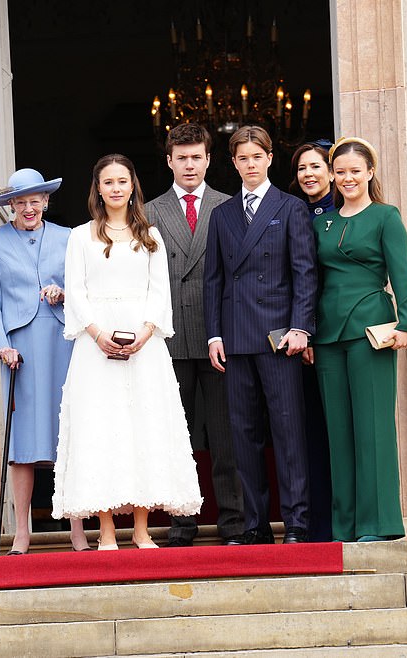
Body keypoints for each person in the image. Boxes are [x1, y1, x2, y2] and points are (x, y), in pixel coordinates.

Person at [52, 153, 202, 550]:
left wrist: (147, 331)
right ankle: (105, 531)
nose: (116, 188)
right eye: (108, 182)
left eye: (123, 181)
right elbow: (77, 291)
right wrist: (98, 334)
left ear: (132, 185)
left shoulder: (150, 234)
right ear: (98, 189)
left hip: (144, 346)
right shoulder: (80, 236)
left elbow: (160, 291)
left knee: (143, 429)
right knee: (101, 430)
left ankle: (140, 528)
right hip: (94, 346)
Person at [203, 126, 318, 545]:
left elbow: (304, 273)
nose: (250, 164)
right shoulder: (223, 214)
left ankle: (297, 522)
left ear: (270, 158)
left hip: (279, 338)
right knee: (243, 435)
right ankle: (255, 524)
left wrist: (301, 328)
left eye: (257, 156)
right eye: (242, 158)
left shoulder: (290, 208)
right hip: (234, 340)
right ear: (232, 163)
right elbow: (213, 280)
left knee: (288, 433)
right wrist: (214, 335)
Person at [309, 136, 407, 542]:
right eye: (340, 172)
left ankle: (378, 523)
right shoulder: (322, 222)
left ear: (370, 172)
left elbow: (401, 274)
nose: (347, 178)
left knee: (372, 429)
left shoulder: (386, 216)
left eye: (356, 171)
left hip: (371, 331)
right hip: (328, 334)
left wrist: (406, 323)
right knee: (339, 433)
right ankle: (346, 525)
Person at [145, 123, 245, 547]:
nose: (189, 165)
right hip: (167, 341)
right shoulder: (148, 213)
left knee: (226, 437)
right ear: (169, 161)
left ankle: (235, 524)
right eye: (181, 157)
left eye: (196, 157)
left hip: (218, 337)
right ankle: (181, 524)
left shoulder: (231, 206)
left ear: (208, 159)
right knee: (174, 438)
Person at [0, 168, 91, 554]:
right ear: (10, 205)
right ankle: (22, 532)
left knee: (68, 434)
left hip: (63, 341)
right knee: (23, 441)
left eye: (35, 200)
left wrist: (64, 294)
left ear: (46, 201)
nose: (28, 208)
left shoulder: (69, 237)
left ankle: (77, 530)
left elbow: (86, 289)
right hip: (20, 350)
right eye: (20, 201)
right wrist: (1, 346)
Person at [289, 141, 335, 542]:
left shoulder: (343, 213)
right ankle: (314, 525)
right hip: (300, 342)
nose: (308, 174)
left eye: (316, 166)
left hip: (335, 334)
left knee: (335, 431)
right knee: (309, 435)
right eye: (302, 168)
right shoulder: (292, 211)